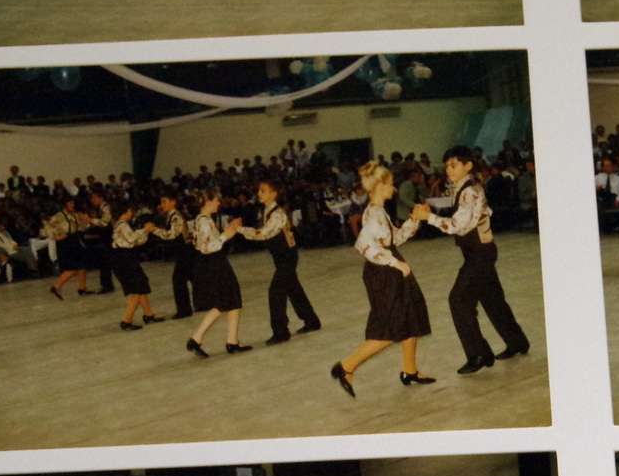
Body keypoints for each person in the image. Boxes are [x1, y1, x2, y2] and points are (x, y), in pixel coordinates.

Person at [412, 145, 529, 374]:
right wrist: (430, 211)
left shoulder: (470, 191)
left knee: (459, 300)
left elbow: (459, 225)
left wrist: (429, 217)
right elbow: (465, 214)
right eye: (447, 166)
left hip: (480, 253)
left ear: (468, 165)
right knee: (493, 299)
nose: (449, 169)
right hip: (478, 250)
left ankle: (479, 354)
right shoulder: (462, 188)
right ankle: (517, 341)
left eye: (454, 165)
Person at [332, 161, 435, 396]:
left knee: (410, 316)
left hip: (389, 268)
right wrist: (395, 263)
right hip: (384, 272)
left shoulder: (378, 211)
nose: (394, 188)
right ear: (379, 185)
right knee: (391, 326)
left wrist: (415, 219)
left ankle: (409, 370)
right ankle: (346, 367)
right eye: (390, 184)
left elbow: (393, 239)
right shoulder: (375, 213)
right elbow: (364, 245)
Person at [238, 179, 321, 345]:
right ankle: (311, 320)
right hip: (280, 256)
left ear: (274, 194)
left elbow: (263, 234)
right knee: (293, 289)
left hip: (287, 257)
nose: (259, 193)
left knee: (276, 292)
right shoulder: (266, 211)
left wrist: (238, 229)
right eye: (259, 190)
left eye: (263, 191)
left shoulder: (277, 214)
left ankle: (281, 332)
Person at [185, 189, 250, 358]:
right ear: (207, 202)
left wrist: (230, 230)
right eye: (216, 200)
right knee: (228, 300)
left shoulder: (204, 220)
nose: (219, 203)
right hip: (214, 263)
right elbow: (206, 247)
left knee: (228, 300)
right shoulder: (204, 221)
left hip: (214, 262)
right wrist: (224, 237)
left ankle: (225, 340)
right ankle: (207, 339)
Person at [109, 206, 160, 331]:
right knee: (137, 289)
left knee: (141, 284)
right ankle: (126, 320)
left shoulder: (121, 225)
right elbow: (132, 238)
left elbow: (135, 241)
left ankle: (149, 314)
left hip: (125, 257)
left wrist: (145, 231)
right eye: (129, 211)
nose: (131, 213)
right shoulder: (123, 226)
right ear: (124, 212)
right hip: (124, 259)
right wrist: (145, 229)